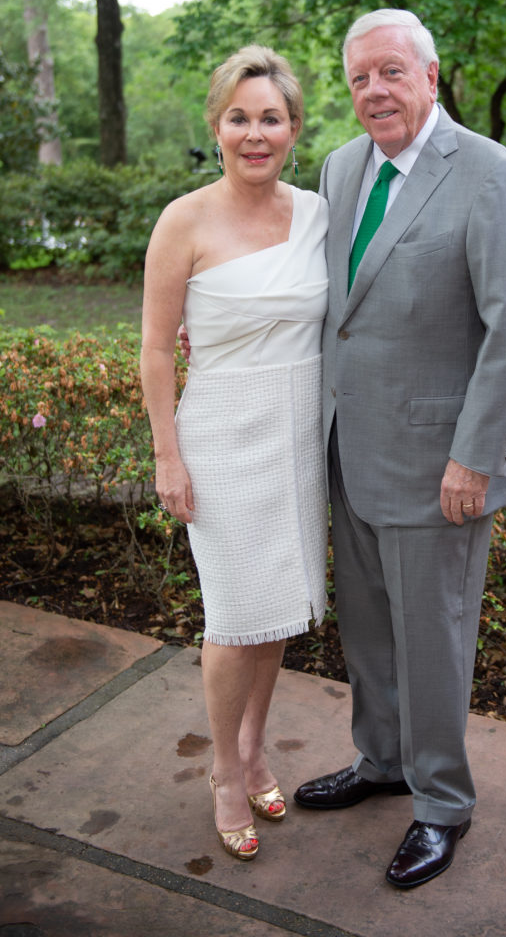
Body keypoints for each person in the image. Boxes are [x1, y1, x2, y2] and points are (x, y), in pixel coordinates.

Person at [291, 10, 506, 889]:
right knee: (367, 629)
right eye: (360, 77)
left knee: (433, 638)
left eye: (392, 73)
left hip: (441, 466)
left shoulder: (490, 175)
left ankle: (441, 804)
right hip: (349, 450)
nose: (374, 92)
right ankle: (382, 761)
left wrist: (474, 457)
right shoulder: (340, 166)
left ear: (432, 78)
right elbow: (343, 307)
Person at [140, 46, 329, 862]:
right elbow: (154, 350)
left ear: (293, 129)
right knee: (234, 614)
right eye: (240, 118)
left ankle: (257, 747)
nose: (257, 134)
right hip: (220, 433)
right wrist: (167, 457)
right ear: (216, 125)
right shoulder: (184, 219)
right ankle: (223, 772)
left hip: (298, 435)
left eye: (272, 119)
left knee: (278, 604)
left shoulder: (320, 214)